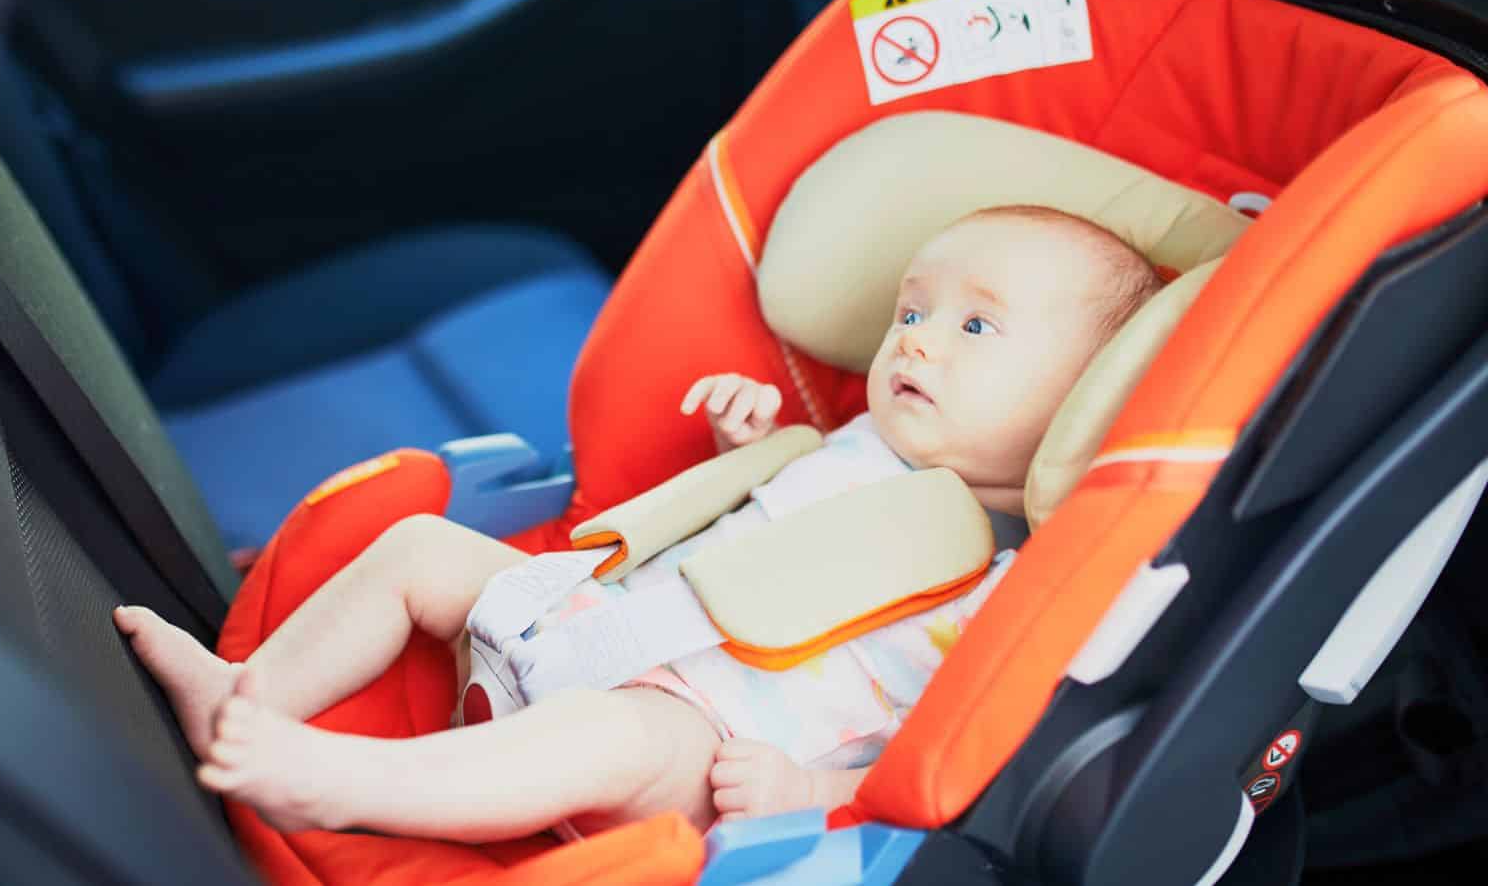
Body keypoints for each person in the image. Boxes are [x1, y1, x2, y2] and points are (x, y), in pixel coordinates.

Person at [112, 205, 1162, 844]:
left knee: (609, 737)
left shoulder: (1005, 584)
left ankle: (346, 789)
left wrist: (809, 788)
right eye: (911, 312)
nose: (918, 343)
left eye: (974, 326)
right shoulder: (841, 445)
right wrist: (740, 446)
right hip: (581, 621)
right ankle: (250, 699)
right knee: (421, 548)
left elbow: (951, 746)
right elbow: (747, 534)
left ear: (1082, 399)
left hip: (702, 745)